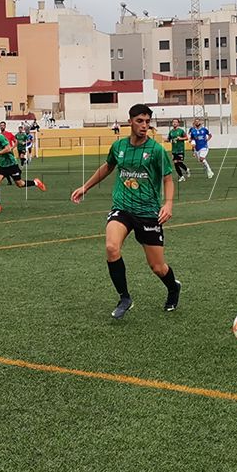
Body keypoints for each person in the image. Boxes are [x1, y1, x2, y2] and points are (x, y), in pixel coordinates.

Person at [71, 104, 180, 319]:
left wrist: (167, 204)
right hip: (122, 208)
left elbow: (168, 179)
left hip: (148, 212)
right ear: (130, 121)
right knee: (112, 247)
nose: (144, 126)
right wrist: (85, 187)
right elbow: (108, 167)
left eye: (148, 122)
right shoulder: (119, 146)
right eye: (140, 121)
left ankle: (173, 287)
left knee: (158, 267)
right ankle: (124, 297)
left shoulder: (156, 150)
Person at [0, 123, 46, 213]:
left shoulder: (0, 137)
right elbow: (0, 151)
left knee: (20, 184)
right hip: (2, 165)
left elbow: (8, 149)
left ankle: (36, 182)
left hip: (11, 164)